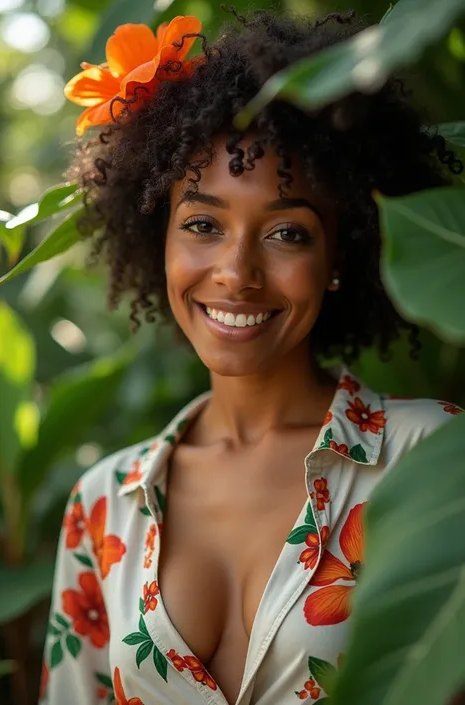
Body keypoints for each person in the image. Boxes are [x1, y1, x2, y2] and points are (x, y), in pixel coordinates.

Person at [39, 8, 463, 705]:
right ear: (159, 240)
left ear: (338, 255)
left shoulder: (436, 456)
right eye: (202, 224)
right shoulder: (104, 504)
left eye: (287, 232)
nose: (236, 272)